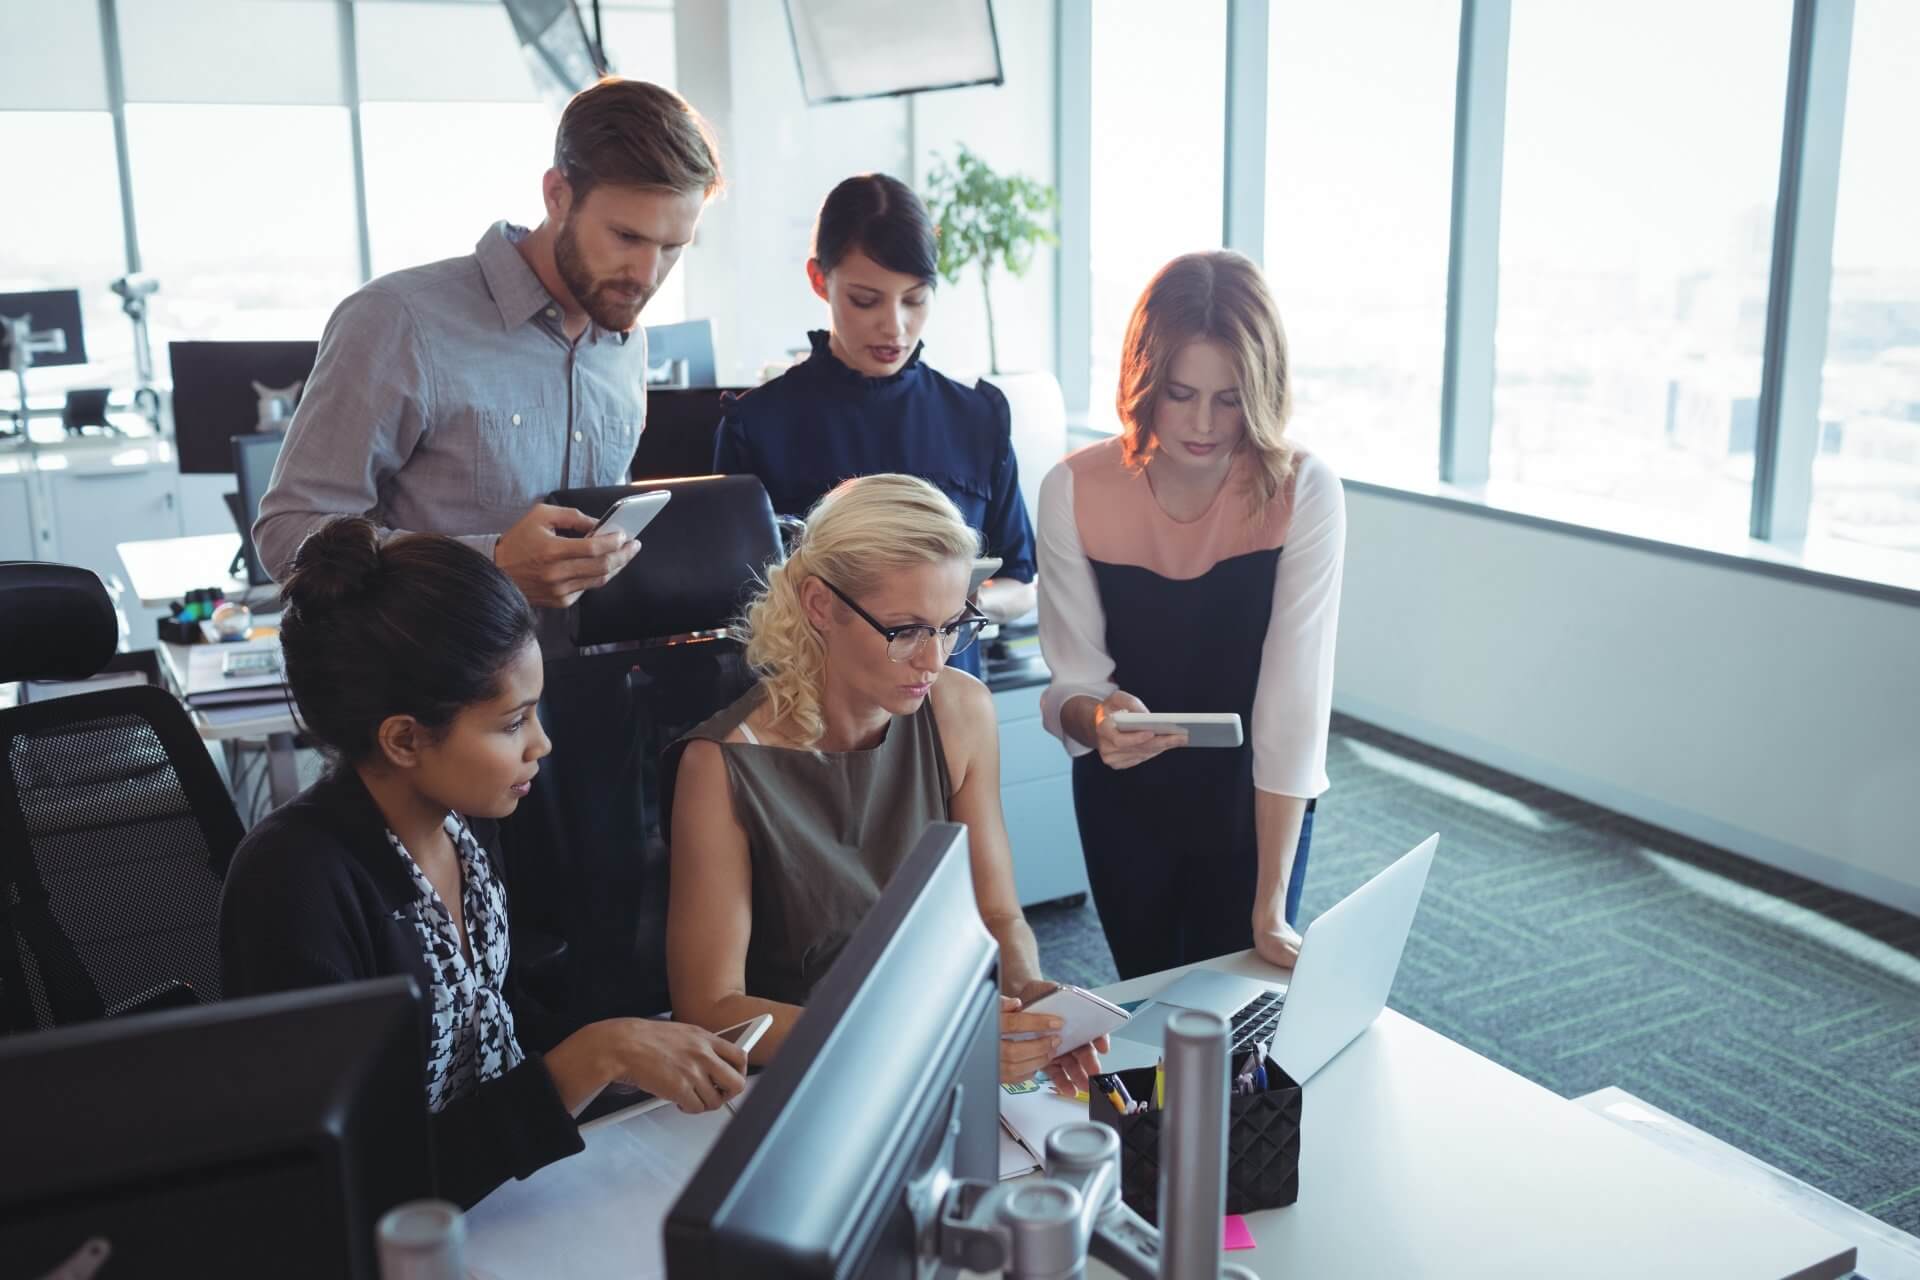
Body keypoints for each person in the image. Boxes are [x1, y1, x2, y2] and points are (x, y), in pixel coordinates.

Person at [218, 518, 747, 1208]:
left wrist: (628, 1061)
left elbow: (488, 1009)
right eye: (511, 723)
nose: (542, 745)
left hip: (501, 1198)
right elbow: (343, 1185)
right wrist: (586, 1061)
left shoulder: (459, 823)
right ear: (406, 739)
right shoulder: (295, 885)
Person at [665, 475, 1101, 1094]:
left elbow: (997, 911)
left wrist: (1030, 996)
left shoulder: (960, 710)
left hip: (944, 1051)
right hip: (811, 1082)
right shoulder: (719, 766)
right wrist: (925, 1039)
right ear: (820, 605)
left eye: (952, 626)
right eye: (906, 630)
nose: (936, 659)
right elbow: (711, 1010)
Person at [254, 78, 723, 647]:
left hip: (595, 695)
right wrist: (492, 563)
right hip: (438, 706)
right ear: (558, 195)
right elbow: (289, 537)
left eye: (673, 247)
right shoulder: (398, 320)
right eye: (626, 236)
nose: (648, 276)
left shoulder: (625, 339)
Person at [1036, 251, 1346, 981]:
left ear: (1263, 391)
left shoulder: (1303, 490)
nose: (1203, 424)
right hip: (1124, 802)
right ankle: (1148, 1103)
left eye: (1230, 398)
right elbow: (1069, 688)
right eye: (1180, 394)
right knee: (1151, 1014)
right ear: (1143, 380)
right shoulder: (1074, 489)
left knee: (1240, 1028)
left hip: (1256, 800)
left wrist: (1270, 906)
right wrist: (1098, 723)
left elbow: (1293, 713)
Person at [711, 174, 1037, 678]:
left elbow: (1020, 581)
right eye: (866, 300)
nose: (894, 326)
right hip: (812, 709)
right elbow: (738, 608)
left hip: (947, 702)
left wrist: (953, 612)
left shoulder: (976, 419)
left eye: (914, 300)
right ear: (820, 280)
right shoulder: (757, 426)